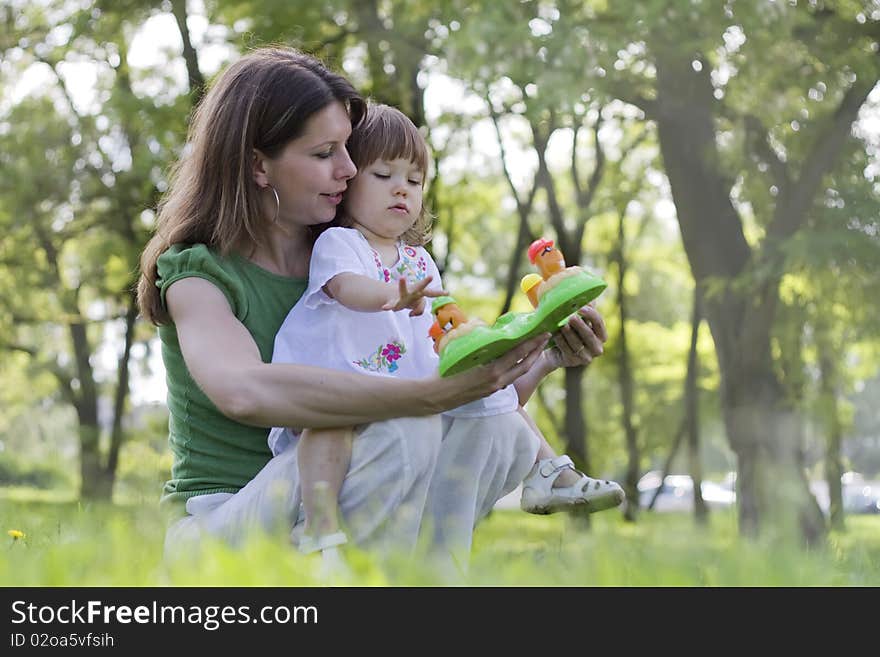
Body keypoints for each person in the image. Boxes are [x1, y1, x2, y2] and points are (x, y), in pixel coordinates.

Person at [136, 46, 609, 566]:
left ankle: (424, 581)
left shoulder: (366, 260)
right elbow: (243, 391)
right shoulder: (198, 273)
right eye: (324, 154)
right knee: (403, 425)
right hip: (227, 529)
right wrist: (423, 398)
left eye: (347, 150)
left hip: (348, 500)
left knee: (493, 427)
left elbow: (455, 399)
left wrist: (542, 357)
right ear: (258, 166)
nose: (348, 167)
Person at [267, 103, 624, 561]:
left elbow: (444, 326)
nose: (401, 189)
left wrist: (499, 344)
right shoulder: (342, 243)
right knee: (329, 427)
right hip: (339, 374)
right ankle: (318, 529)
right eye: (383, 175)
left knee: (489, 394)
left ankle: (547, 470)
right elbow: (344, 288)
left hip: (402, 383)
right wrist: (389, 295)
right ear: (348, 179)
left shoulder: (418, 260)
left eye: (414, 181)